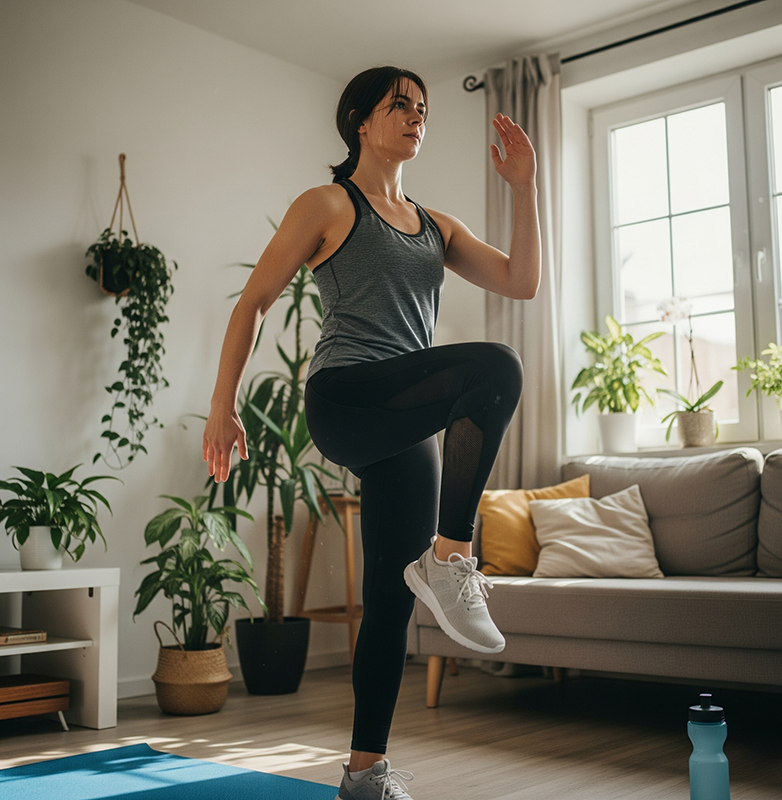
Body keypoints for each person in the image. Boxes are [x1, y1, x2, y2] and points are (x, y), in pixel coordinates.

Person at [203, 65, 540, 800]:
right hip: (347, 396)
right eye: (400, 105)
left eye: (423, 107)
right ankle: (454, 558)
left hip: (403, 419)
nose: (416, 116)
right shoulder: (327, 202)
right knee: (496, 370)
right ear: (360, 119)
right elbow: (255, 302)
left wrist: (522, 185)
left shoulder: (436, 225)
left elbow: (520, 282)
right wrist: (223, 404)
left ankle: (365, 775)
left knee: (390, 600)